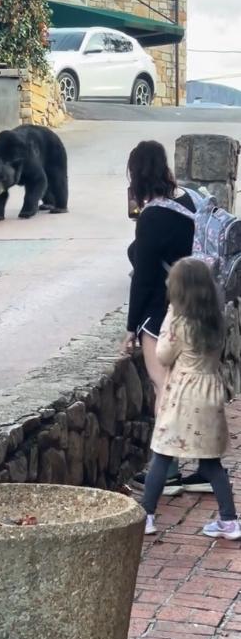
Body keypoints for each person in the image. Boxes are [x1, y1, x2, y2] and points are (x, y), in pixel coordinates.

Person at [123, 140, 210, 495]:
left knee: (165, 388)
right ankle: (207, 470)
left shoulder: (153, 216)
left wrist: (131, 328)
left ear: (136, 175)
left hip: (164, 314)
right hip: (201, 310)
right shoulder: (191, 199)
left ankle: (168, 472)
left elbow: (144, 279)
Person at [143, 258, 240, 540]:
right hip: (210, 395)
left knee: (162, 454)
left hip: (183, 397)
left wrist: (168, 318)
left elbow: (163, 355)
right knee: (210, 461)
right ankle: (229, 521)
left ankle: (146, 515)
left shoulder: (180, 321)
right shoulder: (216, 320)